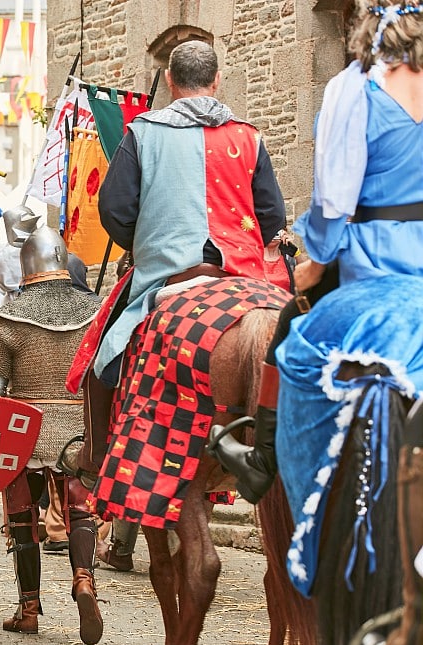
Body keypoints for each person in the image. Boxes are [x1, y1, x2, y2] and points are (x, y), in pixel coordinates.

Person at [213, 9, 423, 645]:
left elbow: (332, 210)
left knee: (290, 341)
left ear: (367, 49)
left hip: (373, 287)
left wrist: (308, 261)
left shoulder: (353, 91)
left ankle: (265, 462)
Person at [82, 39, 288, 492]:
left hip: (166, 275)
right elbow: (273, 216)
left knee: (103, 354)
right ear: (217, 81)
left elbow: (115, 209)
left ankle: (97, 455)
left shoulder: (143, 132)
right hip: (246, 277)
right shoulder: (248, 136)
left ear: (170, 82)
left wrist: (146, 242)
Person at [0, 227, 104, 645]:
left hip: (22, 430)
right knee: (81, 512)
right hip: (78, 429)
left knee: (21, 519)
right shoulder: (96, 311)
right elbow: (105, 378)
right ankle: (84, 580)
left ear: (26, 265)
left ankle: (28, 609)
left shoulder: (9, 317)